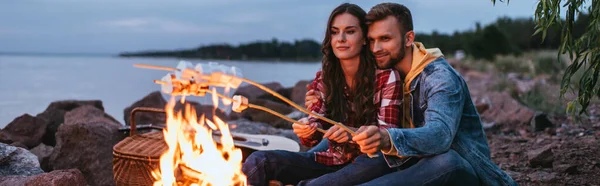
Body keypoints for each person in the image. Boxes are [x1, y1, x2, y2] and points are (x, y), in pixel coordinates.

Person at [345, 3, 518, 185]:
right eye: (371, 40)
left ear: (408, 38)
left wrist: (387, 138)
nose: (375, 48)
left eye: (385, 38)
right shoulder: (388, 77)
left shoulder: (439, 77)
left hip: (462, 169)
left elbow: (440, 135)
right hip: (414, 161)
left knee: (446, 161)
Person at [242, 3, 404, 186]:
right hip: (332, 159)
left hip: (371, 161)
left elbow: (388, 136)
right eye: (335, 32)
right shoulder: (325, 78)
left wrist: (352, 134)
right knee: (258, 162)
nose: (340, 38)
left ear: (364, 38)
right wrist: (306, 127)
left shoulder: (387, 77)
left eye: (350, 31)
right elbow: (312, 134)